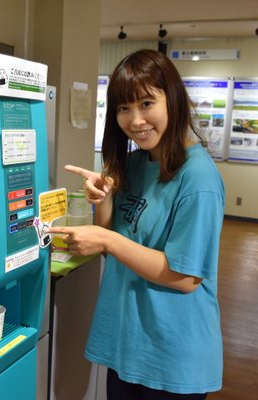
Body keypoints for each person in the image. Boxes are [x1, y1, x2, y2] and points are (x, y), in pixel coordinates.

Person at [48, 49, 224, 399]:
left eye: (146, 103)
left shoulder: (198, 177)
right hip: (127, 343)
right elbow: (114, 250)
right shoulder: (134, 163)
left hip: (172, 355)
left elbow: (185, 277)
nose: (135, 119)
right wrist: (104, 199)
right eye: (124, 108)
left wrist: (106, 240)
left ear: (172, 99)